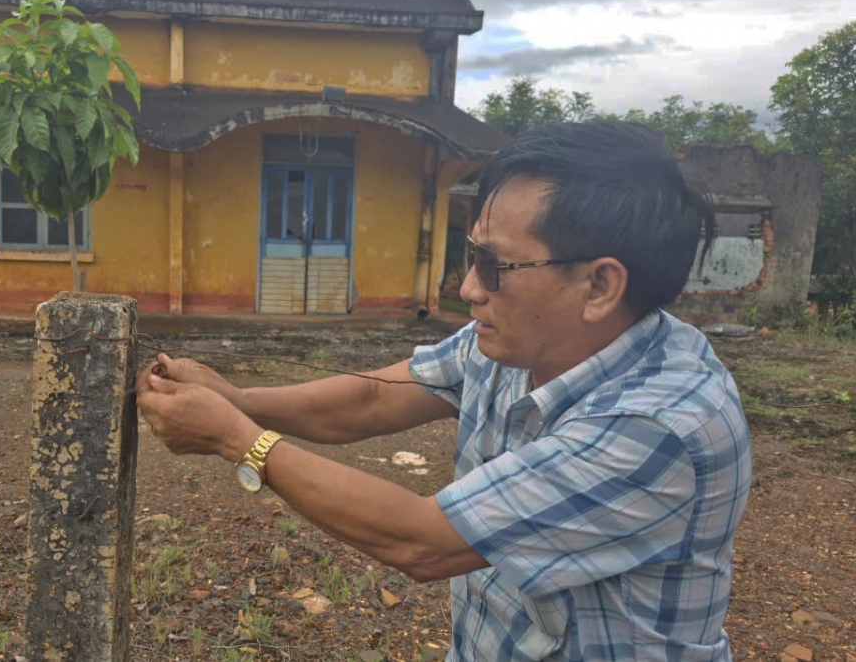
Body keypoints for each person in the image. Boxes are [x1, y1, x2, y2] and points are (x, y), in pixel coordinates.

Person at [136, 121, 752, 662]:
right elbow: (374, 398)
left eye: (494, 266)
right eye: (471, 253)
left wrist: (237, 439)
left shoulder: (660, 426)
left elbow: (421, 540)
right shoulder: (514, 339)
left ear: (599, 286)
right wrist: (239, 397)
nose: (468, 287)